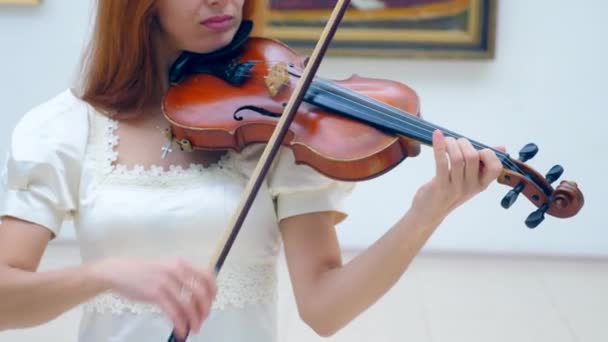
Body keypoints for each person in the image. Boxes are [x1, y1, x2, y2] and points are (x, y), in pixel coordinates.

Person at [0, 0, 503, 341]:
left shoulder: (276, 120)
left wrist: (427, 211)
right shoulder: (65, 127)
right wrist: (102, 275)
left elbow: (325, 309)